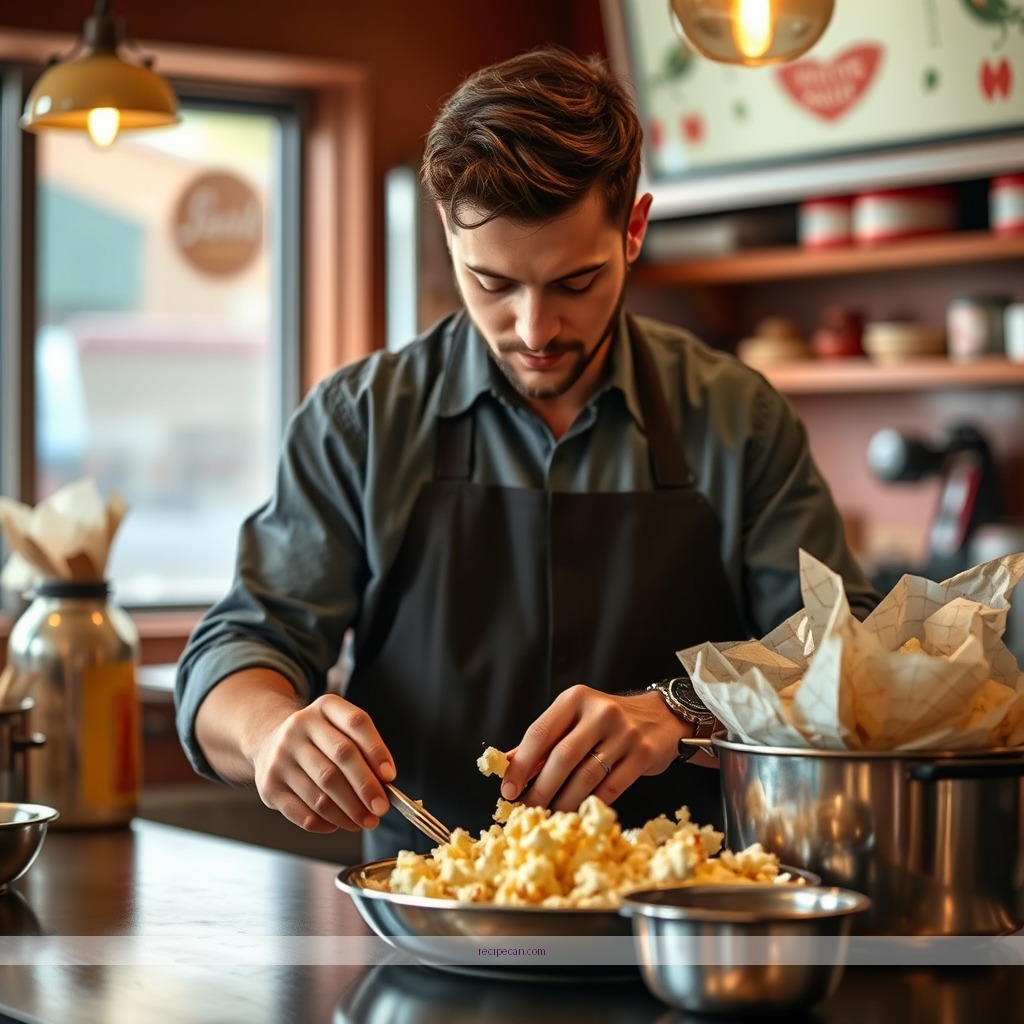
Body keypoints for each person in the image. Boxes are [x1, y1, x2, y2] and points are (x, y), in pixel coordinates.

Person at [175, 44, 879, 860]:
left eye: (574, 283)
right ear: (447, 236)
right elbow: (238, 650)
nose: (535, 330)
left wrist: (683, 708)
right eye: (494, 284)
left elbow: (846, 659)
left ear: (634, 230)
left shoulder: (739, 418)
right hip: (434, 913)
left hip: (688, 923)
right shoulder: (359, 421)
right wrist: (269, 734)